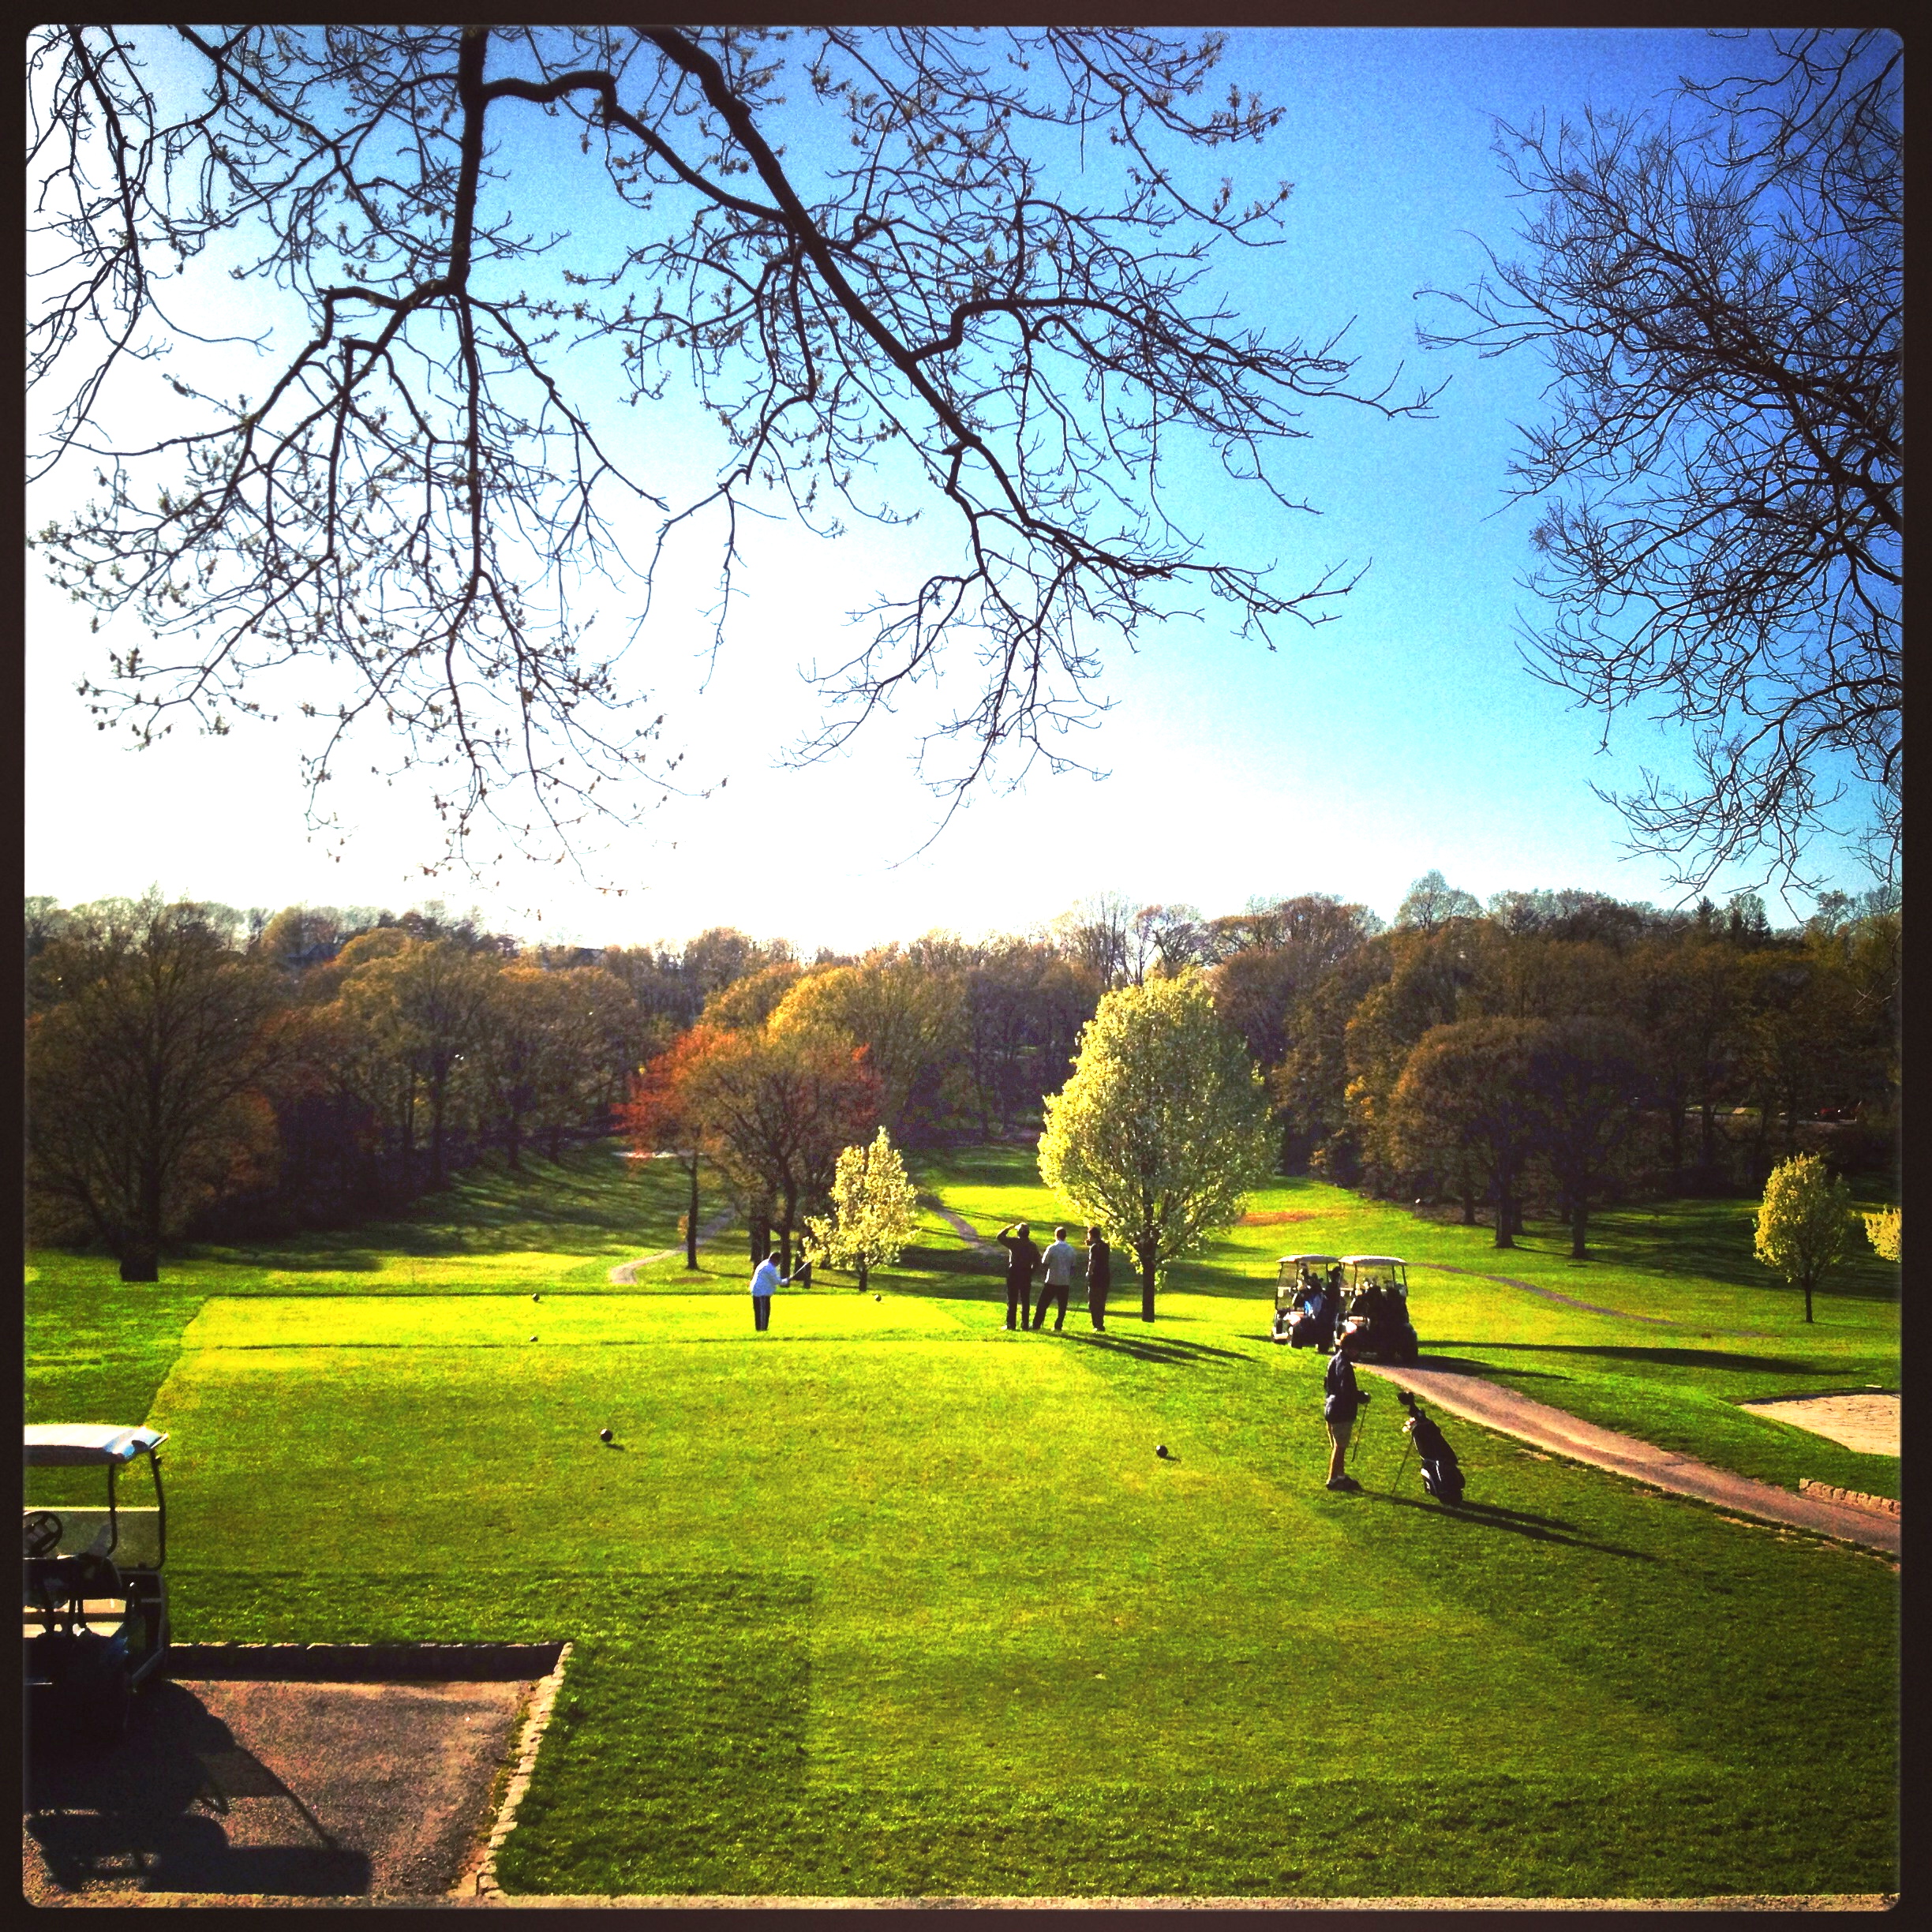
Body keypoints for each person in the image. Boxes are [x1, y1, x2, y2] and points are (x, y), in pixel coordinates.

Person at [1323, 1329, 1370, 1491]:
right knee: (1340, 1447)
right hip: (1341, 1411)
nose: (1358, 1352)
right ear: (1350, 1348)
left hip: (1331, 1408)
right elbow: (1347, 1390)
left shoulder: (1335, 1360)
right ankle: (1333, 1479)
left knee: (1339, 1445)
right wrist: (1361, 1397)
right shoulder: (1345, 1366)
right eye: (1356, 1349)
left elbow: (1327, 1385)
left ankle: (1341, 1476)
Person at [994, 1220, 1039, 1331]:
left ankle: (1011, 1324)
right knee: (1025, 1300)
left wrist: (1007, 1228)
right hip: (1026, 1273)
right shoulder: (1032, 1245)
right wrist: (1031, 1272)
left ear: (1019, 1233)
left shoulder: (1014, 1242)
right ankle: (1025, 1325)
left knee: (1012, 1299)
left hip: (1014, 1272)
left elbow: (999, 1237)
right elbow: (1038, 1262)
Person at [1034, 1225, 1079, 1331]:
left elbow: (1045, 1263)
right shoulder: (1071, 1249)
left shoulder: (1052, 1248)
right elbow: (1073, 1265)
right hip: (1065, 1281)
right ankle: (1058, 1325)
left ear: (1056, 1236)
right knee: (1062, 1306)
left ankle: (1037, 1324)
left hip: (1052, 1280)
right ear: (1065, 1236)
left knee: (1042, 1304)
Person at [748, 1247, 802, 1332]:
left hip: (760, 1291)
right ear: (775, 1260)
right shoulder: (769, 1268)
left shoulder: (765, 1263)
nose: (779, 1264)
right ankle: (762, 1329)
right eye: (779, 1261)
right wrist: (788, 1280)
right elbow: (777, 1281)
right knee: (763, 1312)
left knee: (763, 1311)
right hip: (761, 1292)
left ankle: (762, 1328)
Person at [1084, 1226, 1110, 1331]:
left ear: (1091, 1235)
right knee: (1101, 1301)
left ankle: (1097, 1324)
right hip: (1105, 1276)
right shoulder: (1105, 1246)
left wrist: (1089, 1273)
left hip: (1096, 1277)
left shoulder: (1094, 1248)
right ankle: (1100, 1322)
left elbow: (1092, 1261)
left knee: (1093, 1302)